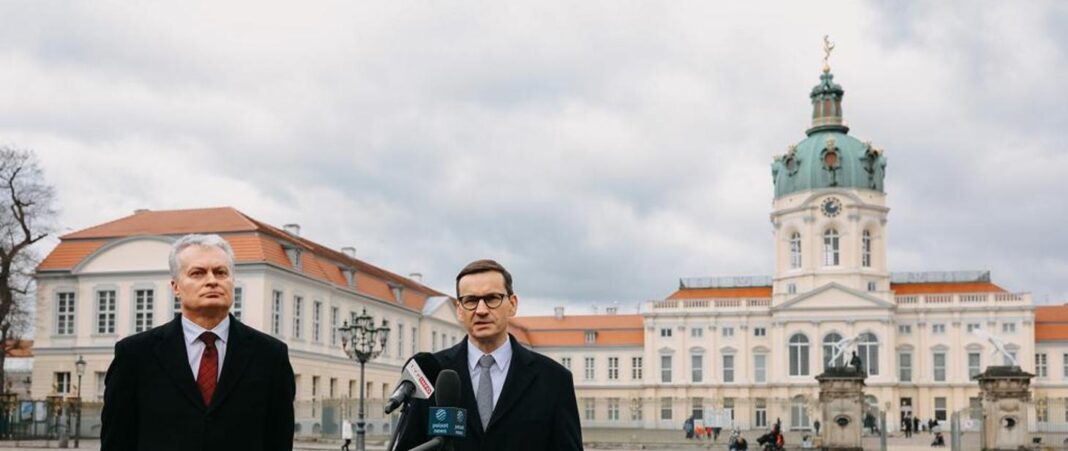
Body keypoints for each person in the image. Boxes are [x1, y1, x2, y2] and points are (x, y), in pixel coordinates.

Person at [100, 234, 295, 451]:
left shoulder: (270, 355)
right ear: (175, 286)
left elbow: (279, 441)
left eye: (221, 272)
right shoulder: (134, 355)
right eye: (198, 273)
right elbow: (116, 441)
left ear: (233, 282)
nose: (212, 280)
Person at [394, 259, 583, 450]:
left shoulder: (553, 380)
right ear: (459, 310)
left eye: (492, 298)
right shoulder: (429, 372)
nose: (481, 310)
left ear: (512, 304)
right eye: (471, 300)